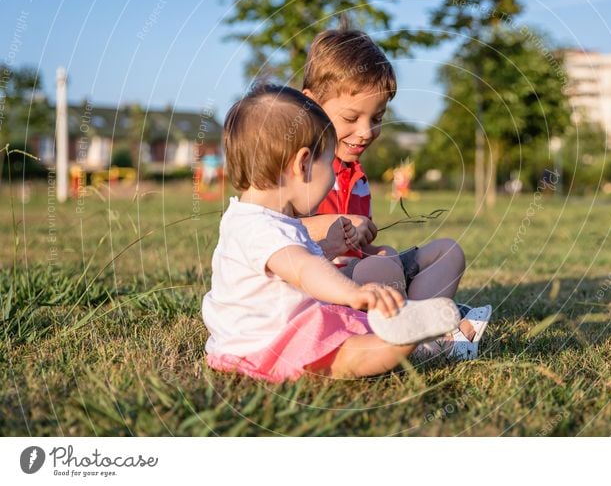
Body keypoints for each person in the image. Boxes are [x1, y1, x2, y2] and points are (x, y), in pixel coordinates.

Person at [201, 83, 462, 382]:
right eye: (328, 162)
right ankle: (406, 340)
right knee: (349, 354)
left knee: (346, 333)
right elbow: (302, 268)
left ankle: (408, 333)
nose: (332, 174)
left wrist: (328, 247)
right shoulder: (261, 228)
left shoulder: (256, 218)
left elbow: (287, 267)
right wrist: (352, 292)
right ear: (303, 164)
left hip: (265, 337)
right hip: (270, 347)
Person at [298, 26, 492, 358]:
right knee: (382, 270)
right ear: (311, 103)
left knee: (447, 252)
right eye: (351, 117)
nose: (365, 132)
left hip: (364, 277)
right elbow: (277, 232)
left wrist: (375, 247)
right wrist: (345, 223)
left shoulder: (355, 175)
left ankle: (421, 330)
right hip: (324, 284)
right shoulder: (299, 168)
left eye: (376, 118)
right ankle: (421, 339)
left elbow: (360, 247)